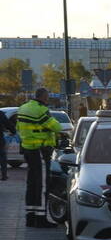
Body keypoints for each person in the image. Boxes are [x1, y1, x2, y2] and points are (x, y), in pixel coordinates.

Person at [16, 88, 62, 227]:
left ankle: (30, 217)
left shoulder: (23, 108)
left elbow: (18, 127)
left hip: (28, 149)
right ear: (43, 97)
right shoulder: (41, 110)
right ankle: (41, 219)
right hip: (40, 151)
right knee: (42, 184)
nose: (48, 100)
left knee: (31, 184)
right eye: (47, 97)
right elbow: (56, 127)